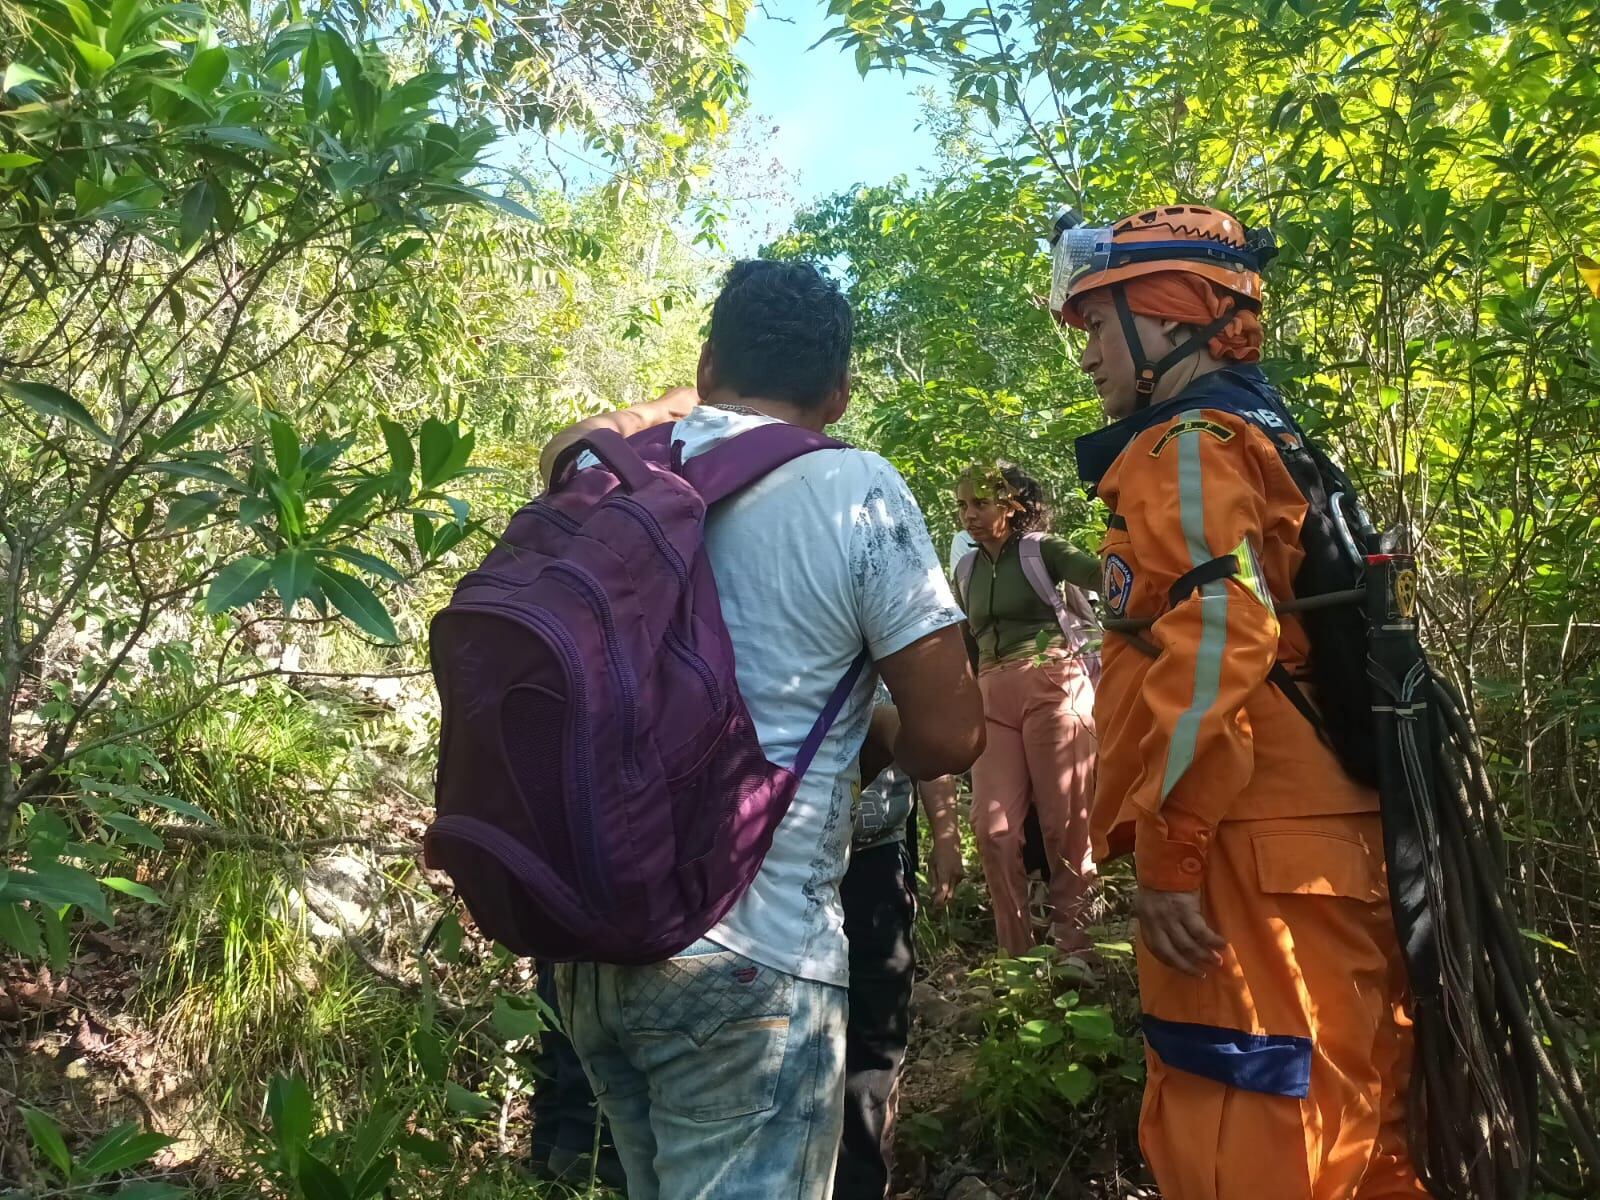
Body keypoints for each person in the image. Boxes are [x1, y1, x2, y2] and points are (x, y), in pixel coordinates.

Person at [543, 260, 984, 1200]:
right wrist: (865, 725)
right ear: (840, 392)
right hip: (757, 956)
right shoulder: (854, 487)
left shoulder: (608, 471)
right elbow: (952, 735)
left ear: (705, 367)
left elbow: (569, 442)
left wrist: (672, 403)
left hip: (595, 939)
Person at [1055, 205, 1425, 1198]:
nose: (1085, 351)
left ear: (1170, 314)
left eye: (1096, 322)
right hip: (1323, 841)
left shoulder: (1189, 442)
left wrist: (1172, 850)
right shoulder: (1266, 432)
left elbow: (1220, 630)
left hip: (1242, 845)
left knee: (1247, 1137)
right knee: (1352, 1131)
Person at [952, 461, 1102, 957]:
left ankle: (1076, 952)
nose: (969, 515)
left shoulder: (1044, 551)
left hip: (1053, 682)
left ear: (1013, 504)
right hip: (992, 696)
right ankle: (1017, 960)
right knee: (992, 831)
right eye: (962, 505)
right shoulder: (965, 569)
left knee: (1064, 823)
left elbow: (1110, 576)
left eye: (980, 503)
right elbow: (967, 646)